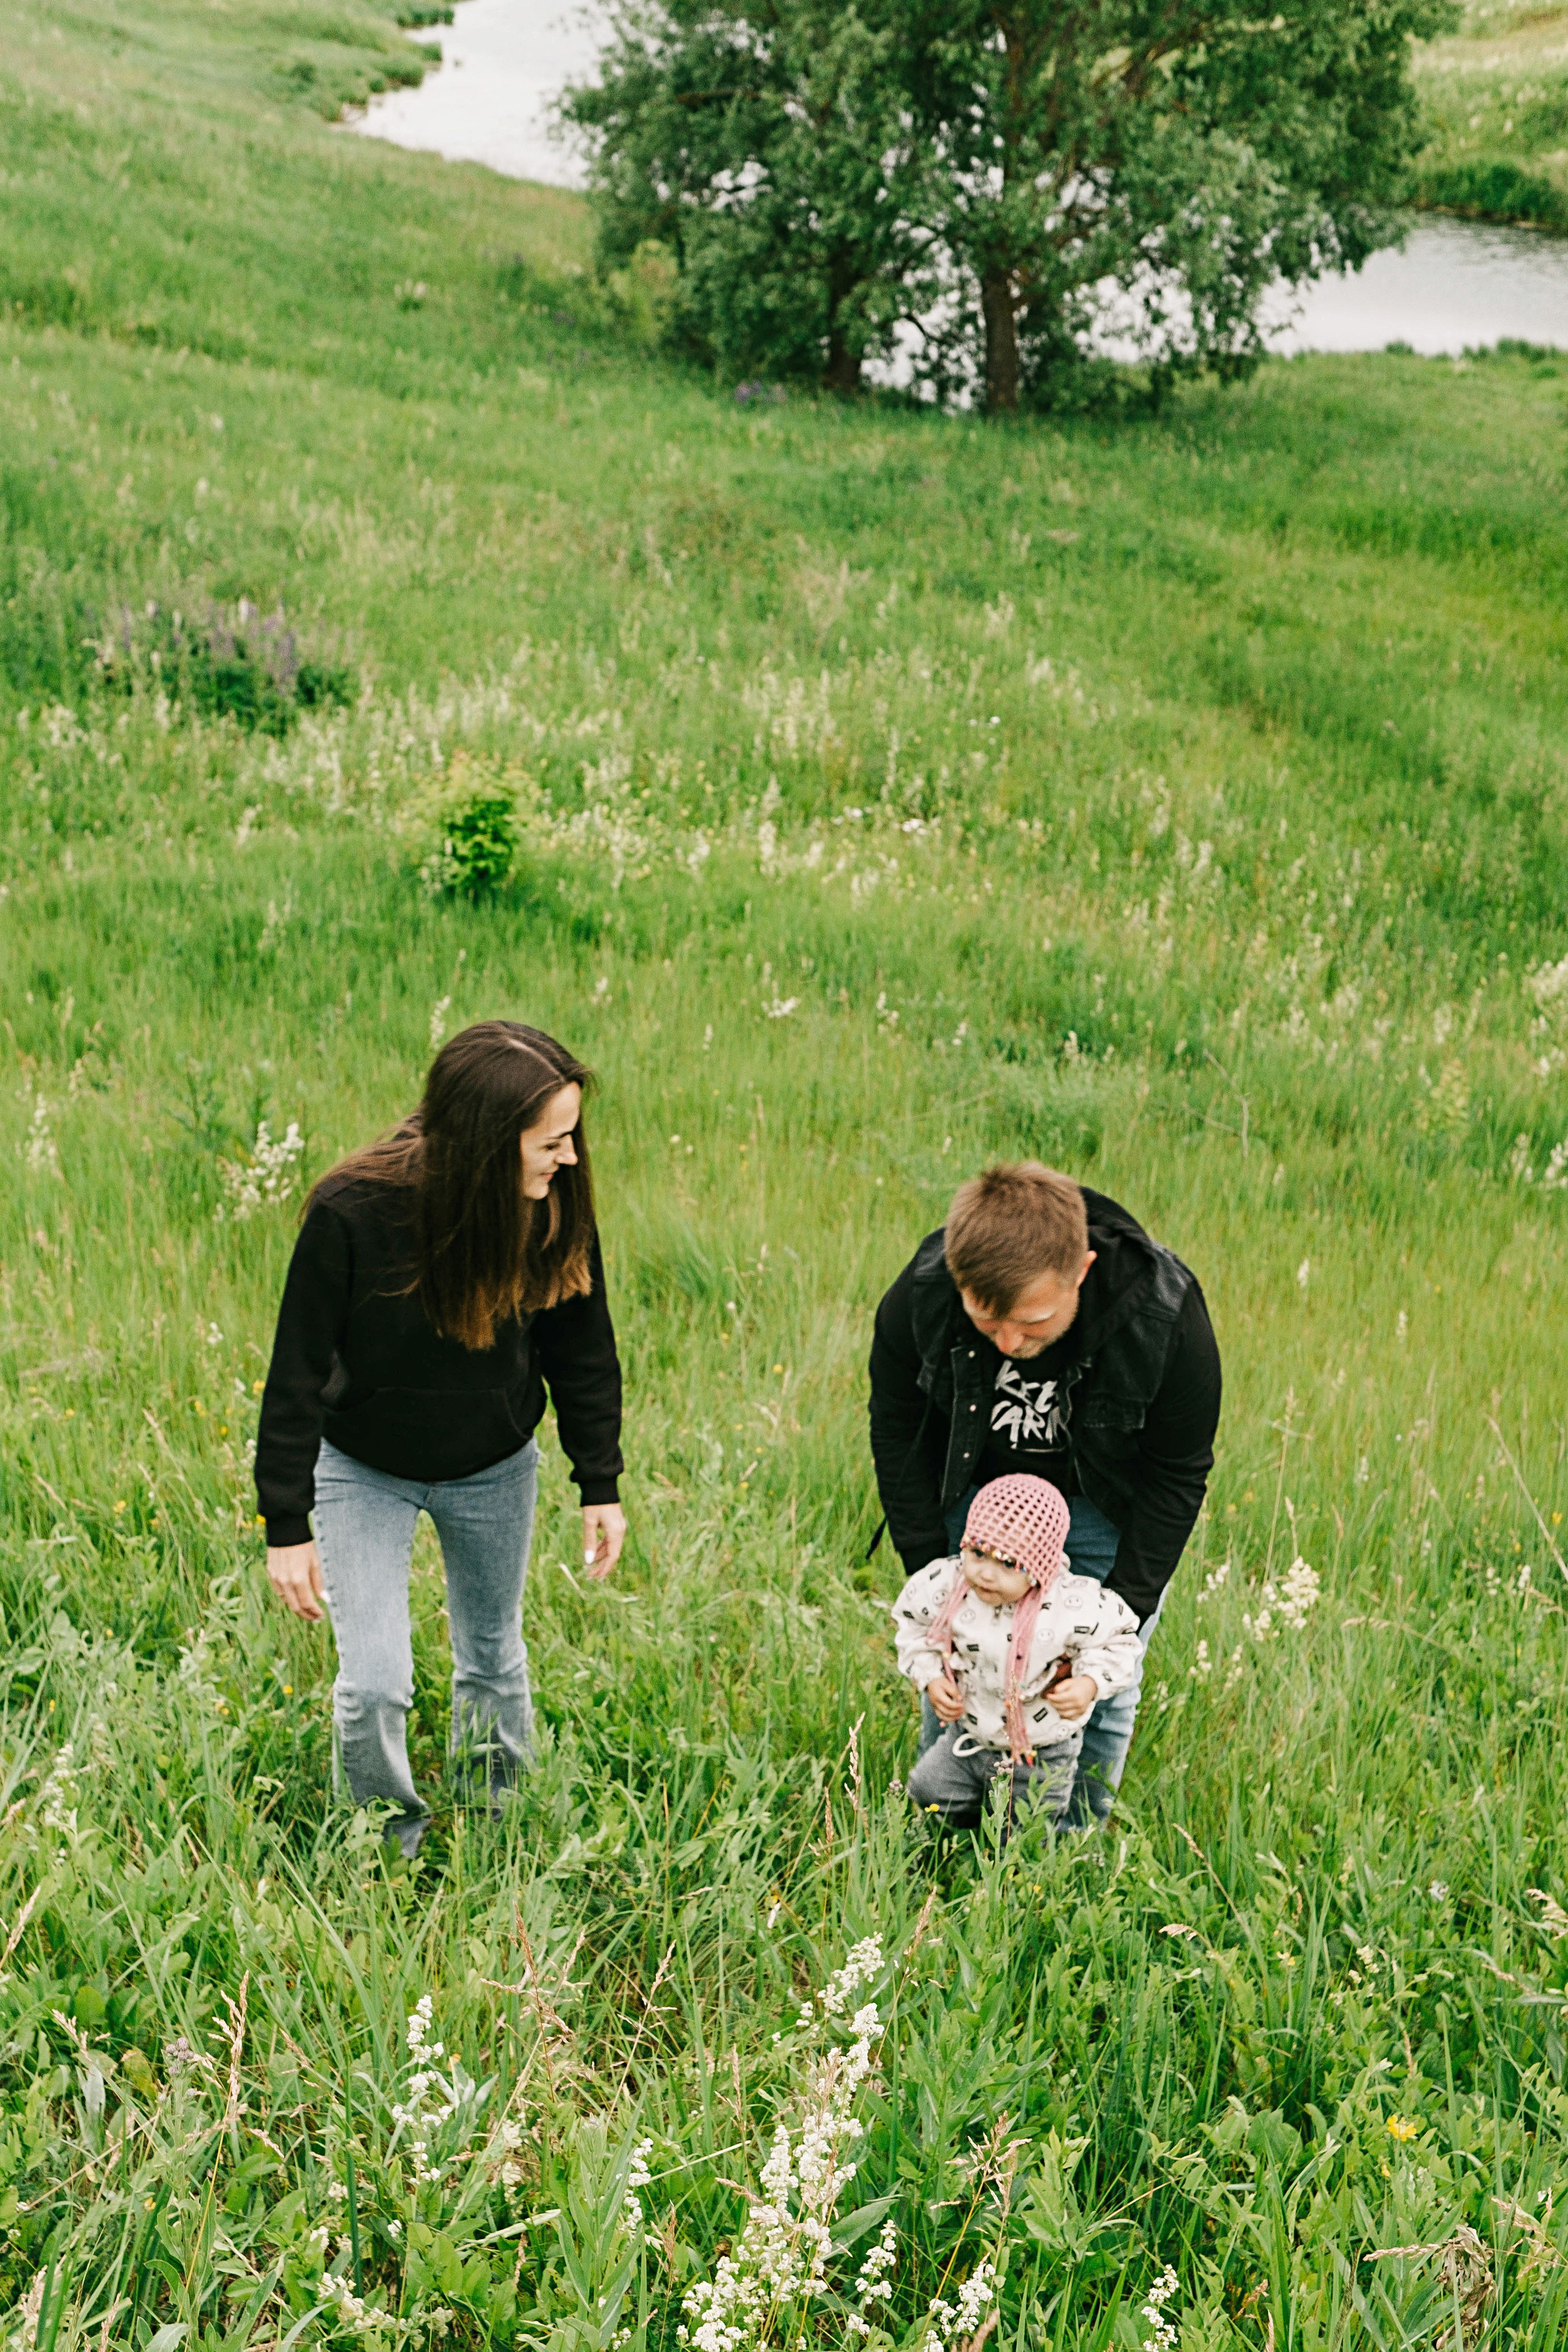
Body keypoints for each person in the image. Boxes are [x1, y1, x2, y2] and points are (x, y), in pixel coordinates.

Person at [255, 1020, 625, 1855]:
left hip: (494, 1466)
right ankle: (388, 1839)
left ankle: (497, 1823)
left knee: (493, 1657)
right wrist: (286, 1523)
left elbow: (584, 1350)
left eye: (572, 1137)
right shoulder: (354, 1211)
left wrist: (598, 1480)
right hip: (364, 1469)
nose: (568, 1158)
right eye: (551, 1141)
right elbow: (296, 1372)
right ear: (490, 1143)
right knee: (376, 1681)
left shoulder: (552, 1209)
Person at [869, 1162, 1220, 1826]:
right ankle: (949, 1828)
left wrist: (1128, 1607)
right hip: (978, 1503)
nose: (1007, 1343)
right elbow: (895, 1428)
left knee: (1100, 1688)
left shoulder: (1161, 1312)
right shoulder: (921, 1295)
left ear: (1081, 1271)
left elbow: (1179, 1471)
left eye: (1032, 1321)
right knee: (961, 1655)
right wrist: (930, 1571)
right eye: (986, 1319)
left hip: (1103, 1509)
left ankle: (1067, 1846)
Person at [894, 1473, 1141, 1831]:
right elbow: (914, 1623)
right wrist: (931, 1676)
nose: (986, 1574)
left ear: (1041, 1566)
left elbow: (1119, 1639)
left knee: (1028, 1829)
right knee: (929, 1789)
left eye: (1009, 1564)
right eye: (977, 1553)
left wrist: (1089, 1683)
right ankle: (955, 1843)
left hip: (1040, 1751)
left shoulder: (1070, 1605)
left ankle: (1017, 1872)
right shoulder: (948, 1585)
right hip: (970, 1735)